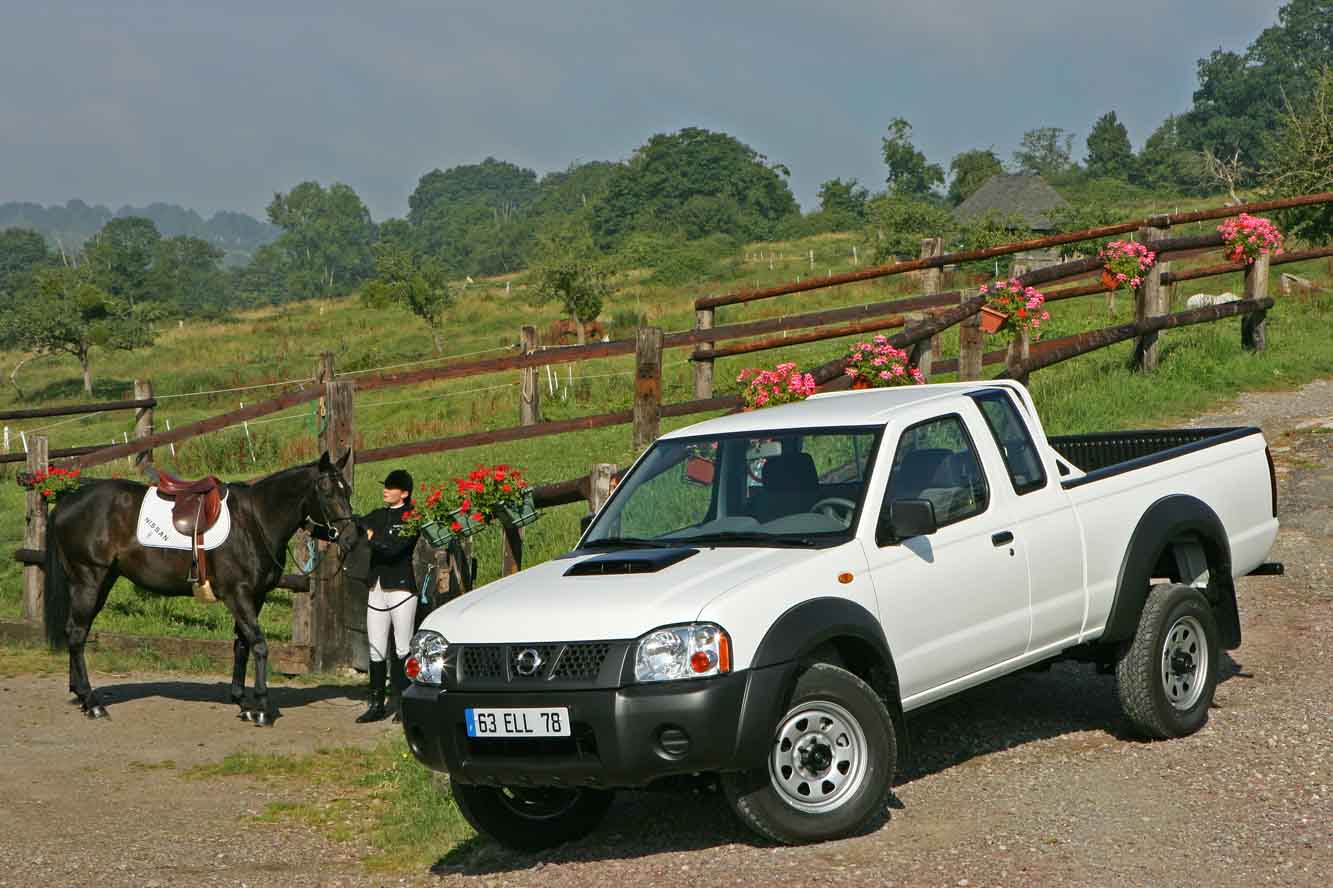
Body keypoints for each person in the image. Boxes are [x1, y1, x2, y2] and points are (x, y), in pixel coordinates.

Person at [354, 468, 420, 723]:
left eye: (391, 487)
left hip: (401, 589)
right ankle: (376, 704)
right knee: (375, 650)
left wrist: (371, 538)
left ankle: (404, 705)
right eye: (386, 486)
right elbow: (357, 525)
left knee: (403, 648)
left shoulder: (411, 517)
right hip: (377, 590)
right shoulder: (378, 515)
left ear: (403, 493)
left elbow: (393, 550)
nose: (386, 490)